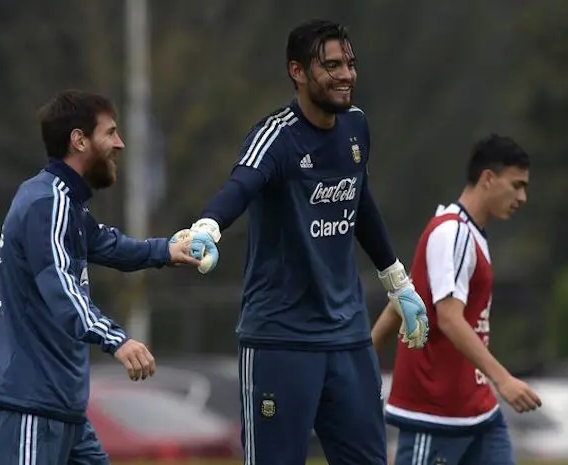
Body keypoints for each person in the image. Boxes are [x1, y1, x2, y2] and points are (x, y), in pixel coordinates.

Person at [179, 19, 428, 465]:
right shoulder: (276, 136)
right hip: (280, 341)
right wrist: (207, 229)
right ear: (297, 71)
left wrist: (398, 282)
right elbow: (241, 184)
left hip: (348, 339)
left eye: (349, 64)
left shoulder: (356, 127)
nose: (346, 75)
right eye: (331, 65)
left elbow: (360, 201)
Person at [0, 89, 218, 465]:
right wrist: (118, 340)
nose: (119, 144)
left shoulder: (67, 205)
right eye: (110, 133)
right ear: (79, 140)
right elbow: (61, 288)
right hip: (29, 406)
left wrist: (166, 251)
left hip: (64, 409)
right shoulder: (47, 203)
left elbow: (109, 245)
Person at [371, 134, 542, 465]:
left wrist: (366, 348)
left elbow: (407, 294)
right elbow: (449, 318)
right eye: (516, 185)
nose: (522, 197)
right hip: (436, 413)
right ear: (488, 179)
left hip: (477, 411)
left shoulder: (469, 233)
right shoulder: (453, 232)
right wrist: (503, 379)